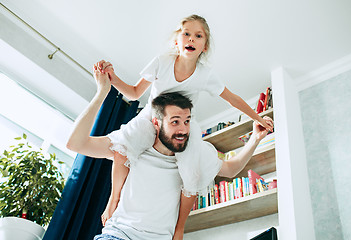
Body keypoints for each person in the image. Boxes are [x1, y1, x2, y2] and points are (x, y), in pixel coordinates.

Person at [95, 14, 274, 225]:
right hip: (151, 116)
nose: (191, 39)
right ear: (176, 41)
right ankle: (113, 199)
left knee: (192, 175)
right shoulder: (162, 62)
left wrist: (258, 118)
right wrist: (112, 78)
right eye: (186, 34)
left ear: (204, 46)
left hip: (181, 125)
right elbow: (134, 93)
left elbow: (232, 99)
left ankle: (179, 227)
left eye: (198, 36)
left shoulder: (205, 75)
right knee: (121, 149)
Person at [66, 67, 273, 240]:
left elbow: (231, 169)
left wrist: (255, 139)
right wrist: (103, 92)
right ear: (156, 123)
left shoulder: (193, 155)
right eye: (175, 121)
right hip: (120, 235)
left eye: (187, 121)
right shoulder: (136, 145)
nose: (183, 129)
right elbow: (75, 143)